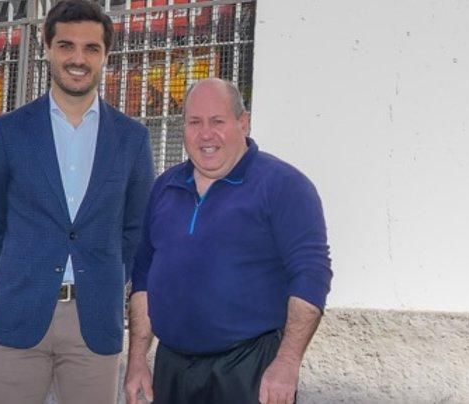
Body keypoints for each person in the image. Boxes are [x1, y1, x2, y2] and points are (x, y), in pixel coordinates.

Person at [0, 0, 154, 404]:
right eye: (67, 46)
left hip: (94, 320)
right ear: (47, 48)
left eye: (91, 48)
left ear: (106, 55)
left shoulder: (131, 139)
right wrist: (21, 271)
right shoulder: (9, 133)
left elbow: (137, 228)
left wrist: (107, 274)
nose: (79, 58)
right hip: (20, 310)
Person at [124, 78, 332, 404]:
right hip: (173, 369)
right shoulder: (165, 186)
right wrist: (137, 360)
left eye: (217, 121)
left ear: (243, 122)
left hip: (250, 369)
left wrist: (288, 363)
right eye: (195, 122)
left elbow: (311, 277)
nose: (206, 134)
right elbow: (144, 277)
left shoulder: (284, 185)